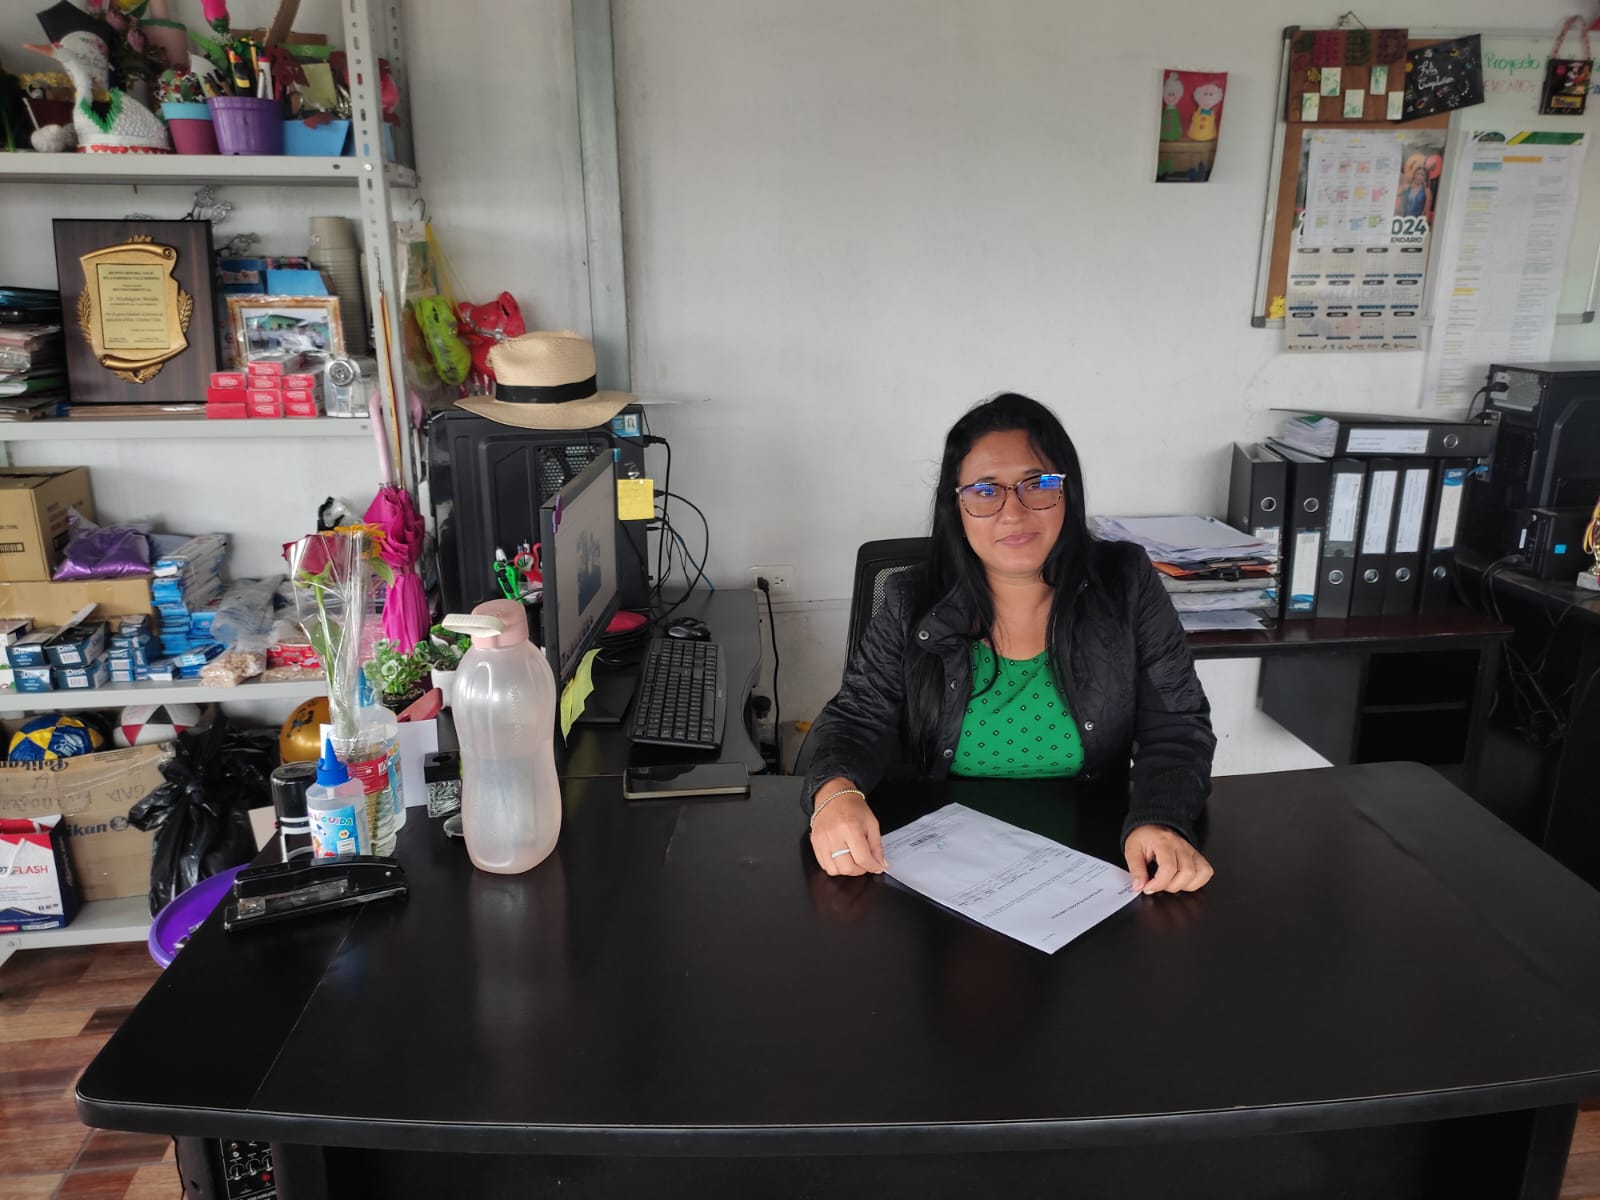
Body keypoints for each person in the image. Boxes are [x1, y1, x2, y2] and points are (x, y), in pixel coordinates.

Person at [802, 393, 1216, 894]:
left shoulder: (1124, 582)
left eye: (1037, 484)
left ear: (1067, 491)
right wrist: (835, 794)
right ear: (956, 506)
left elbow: (1178, 725)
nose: (1013, 513)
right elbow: (857, 718)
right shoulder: (911, 598)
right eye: (985, 491)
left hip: (1095, 860)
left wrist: (1161, 818)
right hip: (927, 861)